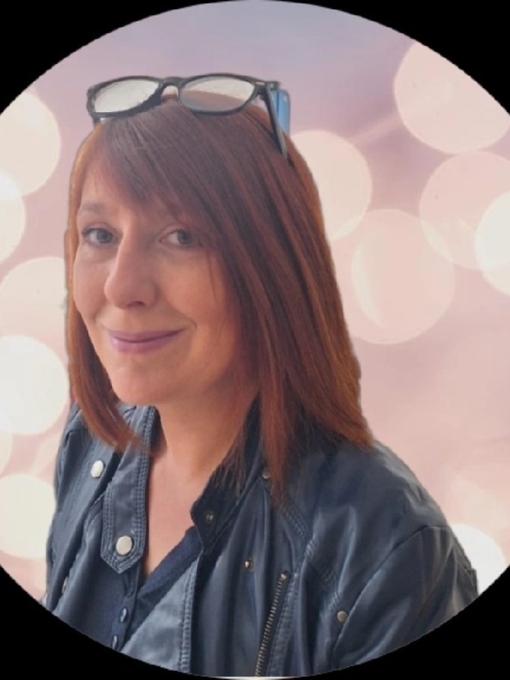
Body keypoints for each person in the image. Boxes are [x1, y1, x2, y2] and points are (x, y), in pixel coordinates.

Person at [43, 74, 478, 677]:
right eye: (100, 235)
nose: (120, 285)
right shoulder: (93, 443)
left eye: (181, 236)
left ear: (271, 267)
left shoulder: (387, 547)